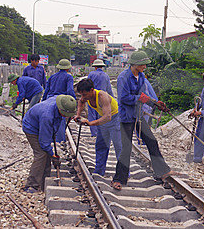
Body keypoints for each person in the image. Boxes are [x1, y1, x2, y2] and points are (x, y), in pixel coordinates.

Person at [112, 50, 175, 190]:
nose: (145, 67)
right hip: (126, 117)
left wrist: (155, 103)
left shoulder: (141, 76)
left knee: (151, 141)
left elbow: (143, 95)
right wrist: (140, 99)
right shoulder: (123, 77)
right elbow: (124, 98)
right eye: (142, 65)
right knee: (126, 148)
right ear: (134, 65)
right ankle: (119, 179)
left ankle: (162, 171)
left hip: (138, 115)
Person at [22, 95, 77, 193]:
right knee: (41, 154)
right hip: (31, 127)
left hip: (39, 123)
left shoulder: (60, 101)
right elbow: (44, 142)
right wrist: (52, 154)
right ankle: (32, 185)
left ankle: (44, 180)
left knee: (46, 152)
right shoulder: (47, 116)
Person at [74, 78, 122, 176]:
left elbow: (107, 117)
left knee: (119, 146)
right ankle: (99, 171)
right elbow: (81, 102)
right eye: (81, 94)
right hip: (103, 118)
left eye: (84, 94)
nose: (83, 97)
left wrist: (91, 123)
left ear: (92, 90)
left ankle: (123, 173)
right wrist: (78, 114)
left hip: (115, 118)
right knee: (101, 145)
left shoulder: (102, 96)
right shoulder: (86, 96)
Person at [42, 59, 76, 143]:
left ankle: (48, 139)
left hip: (50, 99)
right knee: (60, 121)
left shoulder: (52, 77)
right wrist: (73, 102)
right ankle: (59, 141)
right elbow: (70, 91)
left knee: (50, 120)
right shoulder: (69, 77)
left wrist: (43, 101)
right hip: (61, 101)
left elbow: (46, 90)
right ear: (68, 68)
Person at [87, 59, 114, 137]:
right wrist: (111, 99)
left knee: (92, 114)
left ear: (95, 67)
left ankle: (94, 133)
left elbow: (87, 85)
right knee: (102, 114)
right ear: (102, 67)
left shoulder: (91, 74)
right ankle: (101, 132)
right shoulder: (106, 75)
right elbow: (109, 89)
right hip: (103, 98)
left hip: (92, 97)